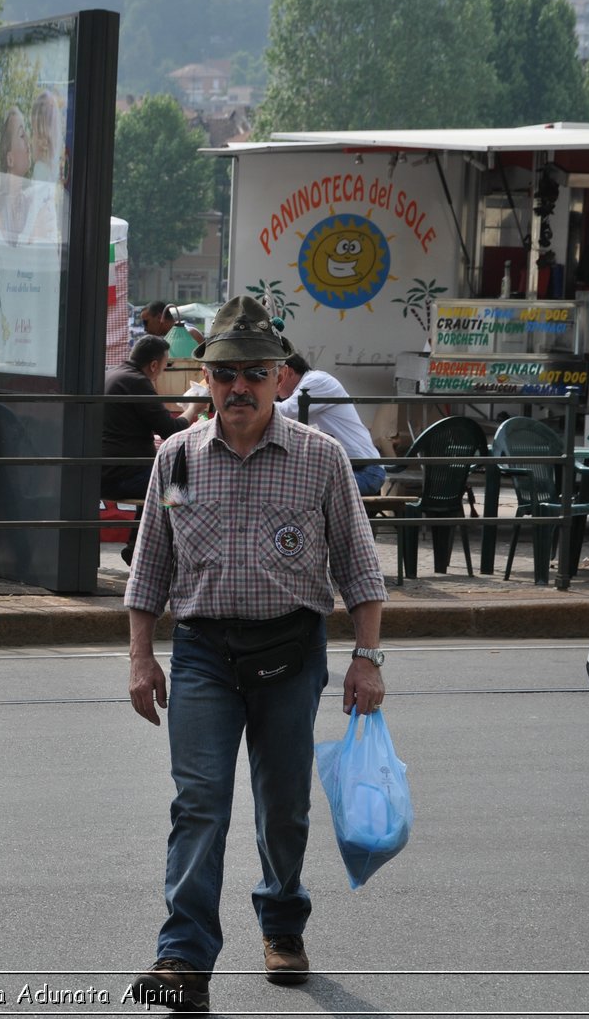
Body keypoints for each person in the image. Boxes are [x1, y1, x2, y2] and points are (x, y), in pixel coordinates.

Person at [123, 295, 388, 1014]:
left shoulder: (319, 459)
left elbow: (361, 570)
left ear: (280, 377)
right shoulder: (177, 458)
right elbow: (151, 566)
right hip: (206, 652)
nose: (237, 387)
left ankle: (282, 921)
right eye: (223, 374)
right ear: (204, 379)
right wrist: (141, 656)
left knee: (282, 808)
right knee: (199, 802)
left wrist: (368, 658)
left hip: (290, 654)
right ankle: (183, 955)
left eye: (253, 373)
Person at [102, 334, 191, 564]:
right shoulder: (137, 382)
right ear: (153, 365)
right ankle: (159, 551)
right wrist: (193, 408)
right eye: (162, 367)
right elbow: (170, 429)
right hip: (121, 475)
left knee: (160, 477)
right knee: (176, 486)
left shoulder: (113, 374)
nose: (160, 373)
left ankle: (137, 545)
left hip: (104, 470)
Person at [274, 353, 387, 494]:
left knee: (301, 490)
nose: (275, 386)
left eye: (277, 378)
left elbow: (286, 410)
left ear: (288, 373)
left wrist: (252, 405)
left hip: (365, 471)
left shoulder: (316, 381)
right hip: (351, 467)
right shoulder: (309, 385)